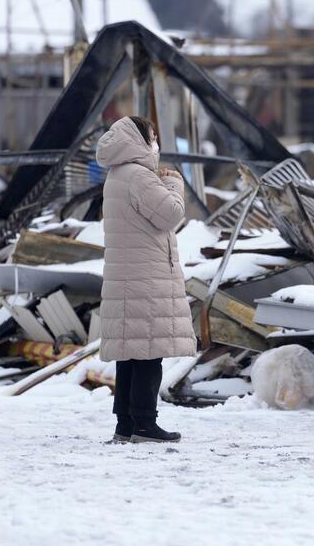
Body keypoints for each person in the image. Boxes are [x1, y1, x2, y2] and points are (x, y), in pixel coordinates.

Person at [95, 116, 197, 444]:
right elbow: (170, 215)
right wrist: (173, 184)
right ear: (139, 139)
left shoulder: (117, 174)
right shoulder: (139, 176)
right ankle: (144, 423)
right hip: (146, 277)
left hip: (128, 276)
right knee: (150, 355)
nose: (156, 141)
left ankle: (125, 424)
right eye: (152, 134)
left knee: (131, 354)